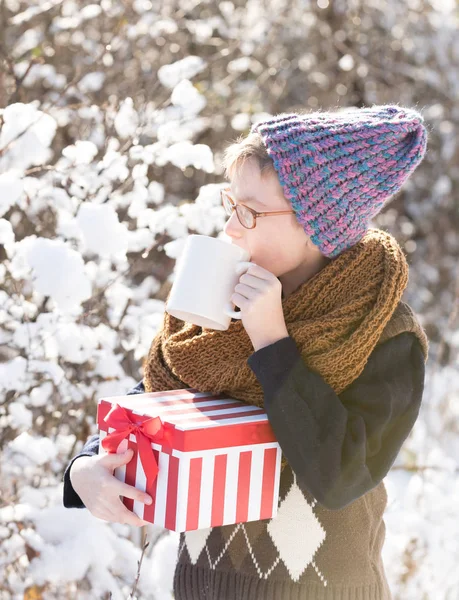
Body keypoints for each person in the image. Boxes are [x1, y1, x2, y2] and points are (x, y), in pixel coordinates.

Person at [64, 104, 430, 600]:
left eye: (251, 212)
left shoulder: (384, 332)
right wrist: (86, 466)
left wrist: (273, 343)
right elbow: (159, 397)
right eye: (230, 205)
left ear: (317, 224)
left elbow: (342, 475)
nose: (232, 228)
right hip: (203, 585)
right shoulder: (222, 299)